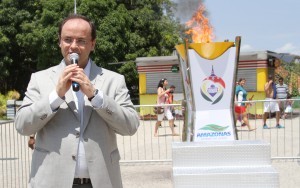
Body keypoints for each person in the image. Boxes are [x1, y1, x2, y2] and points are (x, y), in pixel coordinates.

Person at [15, 14, 139, 188]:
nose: (73, 46)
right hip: (52, 181)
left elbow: (130, 126)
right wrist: (55, 96)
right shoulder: (40, 79)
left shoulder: (114, 80)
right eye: (67, 39)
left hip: (101, 182)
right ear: (59, 42)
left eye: (81, 41)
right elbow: (23, 126)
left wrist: (96, 96)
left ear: (93, 44)